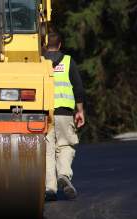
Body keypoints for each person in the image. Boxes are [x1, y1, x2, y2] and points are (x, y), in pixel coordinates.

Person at [44, 32, 85, 201]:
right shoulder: (68, 61)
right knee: (66, 145)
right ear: (60, 45)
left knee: (48, 151)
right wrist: (80, 110)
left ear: (46, 45)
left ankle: (50, 188)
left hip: (45, 115)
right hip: (65, 113)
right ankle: (64, 174)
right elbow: (78, 88)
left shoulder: (40, 62)